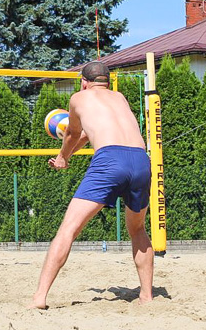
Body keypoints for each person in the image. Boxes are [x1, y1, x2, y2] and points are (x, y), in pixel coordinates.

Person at [29, 61, 153, 309]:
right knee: (138, 230)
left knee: (68, 230)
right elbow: (87, 134)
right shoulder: (119, 98)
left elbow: (73, 134)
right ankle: (147, 296)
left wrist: (63, 157)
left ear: (84, 82)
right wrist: (68, 154)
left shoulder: (78, 98)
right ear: (106, 80)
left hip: (110, 160)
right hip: (141, 160)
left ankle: (39, 299)